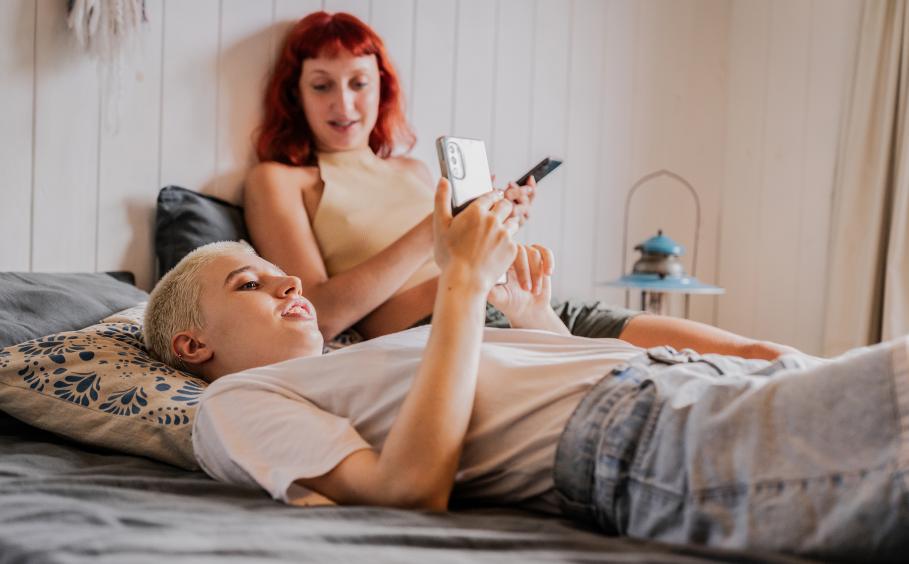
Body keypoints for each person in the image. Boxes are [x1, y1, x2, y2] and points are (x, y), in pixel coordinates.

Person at [145, 179, 908, 560]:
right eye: (249, 283)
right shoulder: (235, 403)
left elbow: (526, 385)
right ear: (193, 347)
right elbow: (405, 491)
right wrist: (461, 286)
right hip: (649, 433)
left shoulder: (365, 358)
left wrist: (528, 318)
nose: (288, 284)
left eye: (282, 273)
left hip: (673, 384)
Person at [244, 11, 789, 360]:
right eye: (322, 86)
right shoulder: (280, 182)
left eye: (359, 84)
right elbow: (323, 314)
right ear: (297, 95)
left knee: (753, 353)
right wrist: (445, 232)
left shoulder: (412, 172)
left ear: (380, 89)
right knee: (663, 379)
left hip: (531, 300)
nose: (344, 104)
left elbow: (461, 251)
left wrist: (497, 222)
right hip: (459, 326)